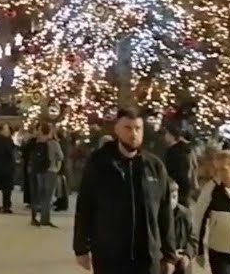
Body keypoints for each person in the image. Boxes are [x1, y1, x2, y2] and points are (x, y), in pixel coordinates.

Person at [73, 108, 178, 274]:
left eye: (138, 128)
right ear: (117, 129)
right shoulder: (100, 162)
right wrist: (81, 248)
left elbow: (165, 213)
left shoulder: (154, 166)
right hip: (110, 255)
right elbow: (85, 205)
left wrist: (170, 254)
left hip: (147, 256)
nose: (134, 134)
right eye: (128, 128)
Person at [28, 123, 64, 227]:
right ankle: (45, 219)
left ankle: (34, 217)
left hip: (39, 170)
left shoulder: (37, 142)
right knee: (47, 197)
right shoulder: (53, 143)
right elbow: (61, 157)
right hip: (51, 170)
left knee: (39, 194)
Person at [162, 126, 195, 207]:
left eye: (167, 134)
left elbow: (173, 169)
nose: (165, 136)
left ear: (171, 136)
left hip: (176, 184)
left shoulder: (173, 151)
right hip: (184, 183)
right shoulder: (184, 149)